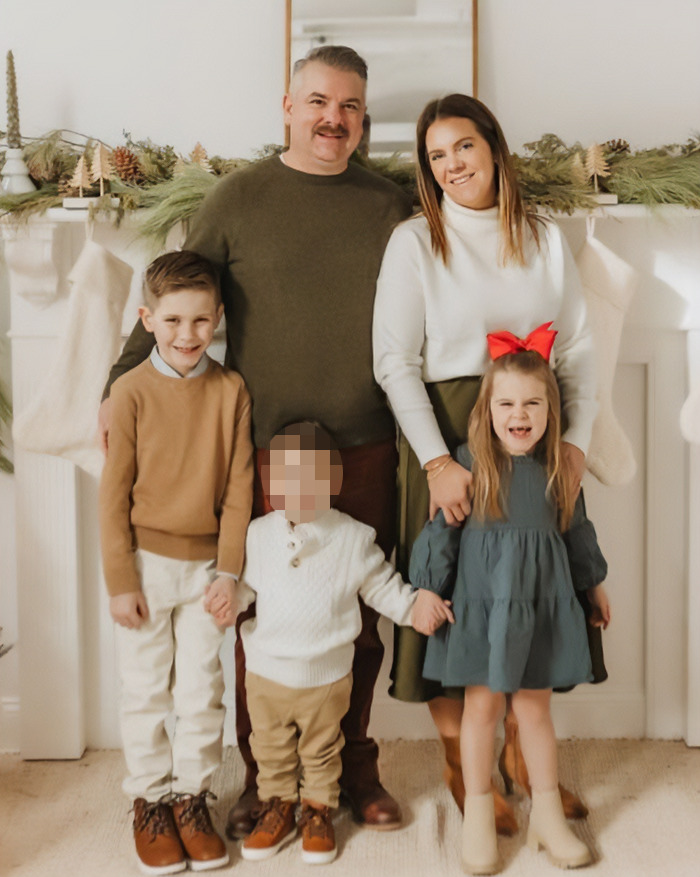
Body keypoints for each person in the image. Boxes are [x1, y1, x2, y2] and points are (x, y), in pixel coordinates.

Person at [99, 45, 413, 835]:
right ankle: (264, 774)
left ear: (362, 117)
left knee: (361, 613)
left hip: (368, 438)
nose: (332, 119)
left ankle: (351, 765)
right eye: (317, 102)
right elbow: (179, 289)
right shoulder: (238, 197)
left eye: (348, 107)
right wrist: (117, 383)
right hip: (268, 447)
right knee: (255, 615)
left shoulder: (389, 205)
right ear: (286, 105)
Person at [373, 94, 606, 831]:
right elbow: (394, 361)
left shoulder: (540, 237)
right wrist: (439, 461)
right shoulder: (416, 241)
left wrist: (574, 441)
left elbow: (576, 350)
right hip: (445, 432)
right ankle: (461, 763)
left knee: (531, 583)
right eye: (437, 155)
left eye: (463, 147)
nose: (452, 165)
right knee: (456, 594)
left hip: (531, 427)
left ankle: (519, 755)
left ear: (494, 148)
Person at [410, 338, 611, 874]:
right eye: (506, 404)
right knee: (481, 709)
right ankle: (477, 817)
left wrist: (594, 584)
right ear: (488, 410)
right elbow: (440, 535)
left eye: (532, 404)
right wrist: (427, 587)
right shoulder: (469, 467)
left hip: (541, 607)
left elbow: (578, 533)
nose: (519, 415)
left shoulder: (559, 469)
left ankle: (546, 816)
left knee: (535, 712)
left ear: (550, 411)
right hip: (485, 610)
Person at [227, 422, 448, 864]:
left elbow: (382, 587)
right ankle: (277, 806)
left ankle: (316, 809)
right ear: (271, 483)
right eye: (286, 479)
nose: (297, 489)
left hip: (325, 678)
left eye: (310, 479)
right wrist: (224, 599)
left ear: (333, 482)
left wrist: (414, 607)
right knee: (268, 749)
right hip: (266, 674)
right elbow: (245, 589)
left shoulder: (351, 538)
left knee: (322, 749)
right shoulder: (258, 535)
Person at [99, 251, 254, 874]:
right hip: (144, 563)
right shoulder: (130, 391)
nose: (187, 335)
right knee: (144, 689)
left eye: (199, 321)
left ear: (217, 318)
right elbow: (113, 494)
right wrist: (119, 581)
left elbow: (240, 487)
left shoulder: (232, 390)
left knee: (201, 688)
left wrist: (229, 571)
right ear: (147, 319)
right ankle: (149, 800)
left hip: (207, 572)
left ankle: (192, 799)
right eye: (172, 321)